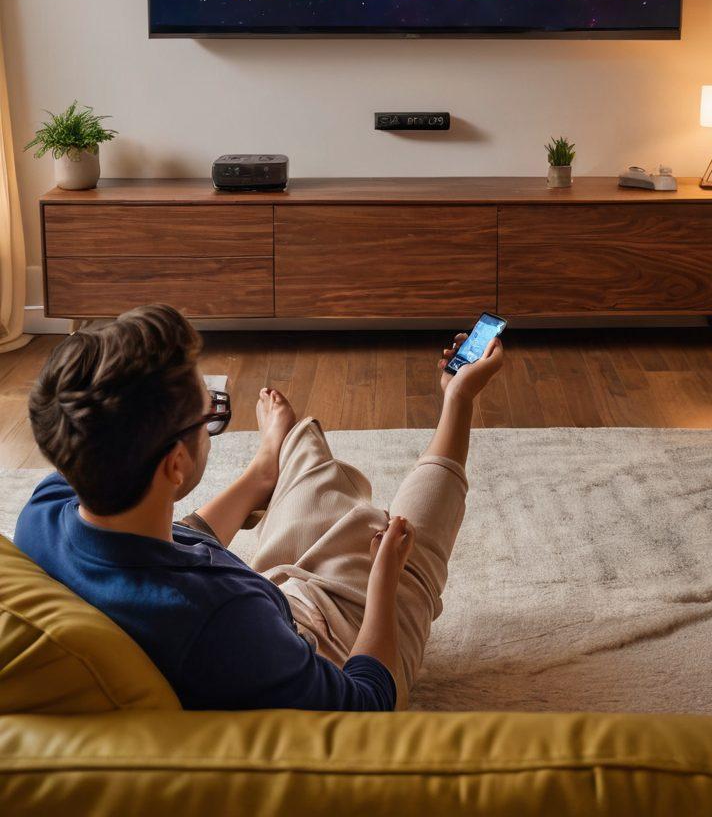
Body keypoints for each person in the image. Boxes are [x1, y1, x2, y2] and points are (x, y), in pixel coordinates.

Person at [14, 304, 503, 712]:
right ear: (176, 463)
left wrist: (261, 472)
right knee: (401, 533)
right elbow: (366, 706)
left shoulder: (44, 512)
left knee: (308, 460)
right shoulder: (222, 619)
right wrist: (386, 578)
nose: (211, 417)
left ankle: (268, 467)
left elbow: (160, 540)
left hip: (274, 598)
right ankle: (456, 405)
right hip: (325, 643)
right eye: (210, 413)